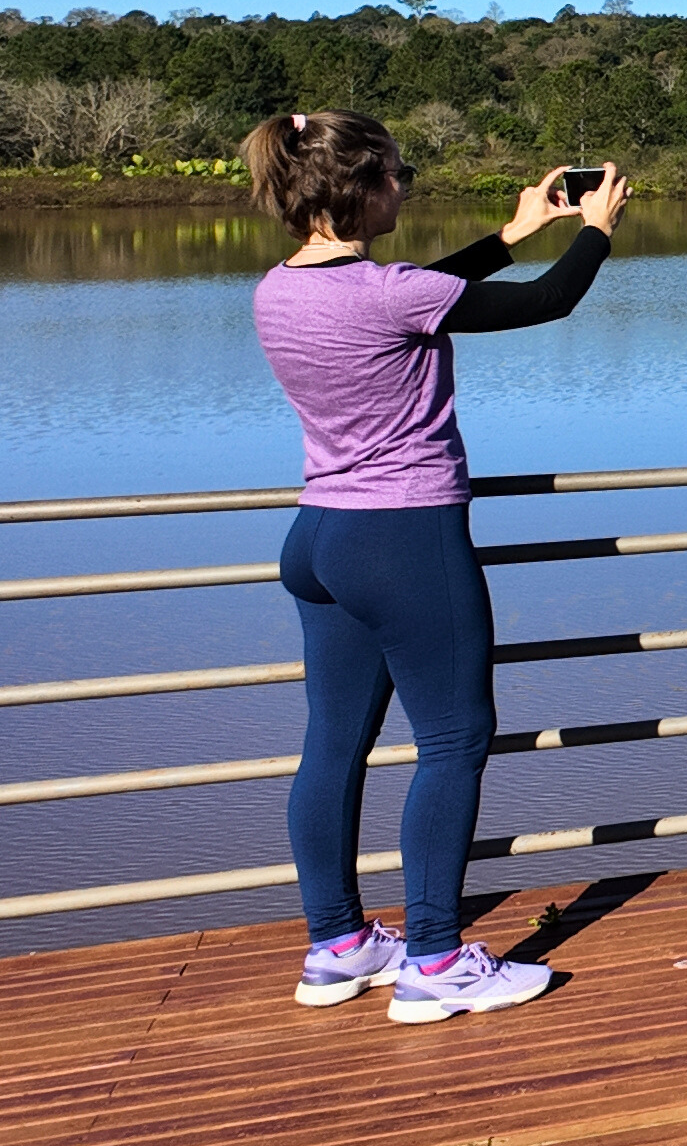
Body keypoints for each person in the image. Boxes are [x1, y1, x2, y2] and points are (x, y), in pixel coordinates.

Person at [242, 111, 630, 1022]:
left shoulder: (275, 290)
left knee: (333, 745)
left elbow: (417, 296)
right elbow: (545, 304)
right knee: (454, 740)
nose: (405, 185)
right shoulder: (387, 291)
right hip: (404, 537)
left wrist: (510, 235)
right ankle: (433, 962)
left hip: (319, 538)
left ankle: (337, 946)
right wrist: (595, 231)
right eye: (397, 172)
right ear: (361, 189)